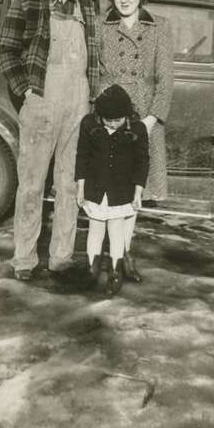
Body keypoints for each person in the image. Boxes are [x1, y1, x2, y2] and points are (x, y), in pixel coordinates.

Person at [0, 0, 99, 281]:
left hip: (78, 99)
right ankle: (24, 259)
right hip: (42, 97)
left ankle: (61, 257)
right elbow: (7, 50)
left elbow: (95, 55)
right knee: (31, 183)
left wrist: (93, 97)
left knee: (70, 182)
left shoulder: (89, 3)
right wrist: (26, 91)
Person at [98, 0, 174, 283]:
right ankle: (109, 256)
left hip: (144, 119)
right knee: (107, 192)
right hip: (110, 118)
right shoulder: (101, 27)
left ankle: (125, 254)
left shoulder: (160, 28)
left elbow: (166, 80)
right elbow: (96, 75)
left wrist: (150, 120)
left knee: (132, 195)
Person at [75, 84, 149, 296]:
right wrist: (81, 188)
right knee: (95, 229)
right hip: (95, 189)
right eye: (109, 120)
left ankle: (116, 272)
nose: (114, 125)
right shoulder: (89, 124)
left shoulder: (137, 129)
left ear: (127, 115)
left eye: (118, 120)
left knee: (116, 231)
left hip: (121, 191)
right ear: (100, 116)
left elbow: (142, 163)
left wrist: (137, 193)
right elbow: (82, 156)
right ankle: (92, 269)